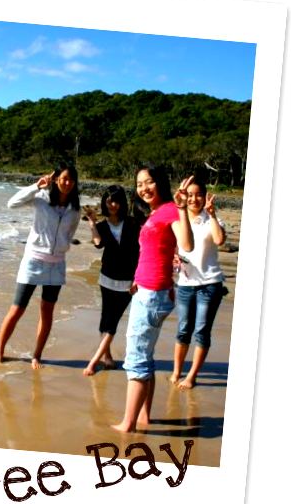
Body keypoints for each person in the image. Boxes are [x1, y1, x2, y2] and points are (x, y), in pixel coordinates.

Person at [112, 165, 194, 433]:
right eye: (139, 184)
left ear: (160, 183)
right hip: (148, 289)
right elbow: (153, 251)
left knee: (136, 358)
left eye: (149, 182)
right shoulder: (156, 212)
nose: (143, 188)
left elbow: (187, 245)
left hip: (153, 294)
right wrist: (137, 279)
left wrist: (182, 208)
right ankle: (144, 416)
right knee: (145, 357)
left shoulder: (170, 210)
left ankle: (128, 424)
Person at [0, 165, 81, 370]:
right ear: (56, 179)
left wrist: (62, 247)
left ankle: (37, 355)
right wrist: (36, 186)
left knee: (47, 312)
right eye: (64, 178)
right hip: (33, 260)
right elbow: (12, 203)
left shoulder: (75, 209)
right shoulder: (41, 198)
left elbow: (70, 233)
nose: (67, 183)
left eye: (71, 179)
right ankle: (0, 349)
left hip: (56, 265)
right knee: (17, 308)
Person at [169, 180, 226, 390]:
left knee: (201, 331)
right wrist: (174, 258)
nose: (194, 199)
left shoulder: (212, 219)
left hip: (210, 284)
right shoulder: (178, 220)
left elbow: (219, 240)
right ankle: (177, 371)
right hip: (185, 283)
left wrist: (212, 215)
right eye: (190, 195)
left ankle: (192, 376)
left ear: (205, 196)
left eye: (198, 194)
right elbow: (174, 248)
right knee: (183, 330)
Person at [83, 185, 140, 376]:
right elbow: (98, 244)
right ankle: (107, 356)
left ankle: (94, 361)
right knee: (106, 318)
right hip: (106, 279)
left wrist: (138, 277)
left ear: (122, 203)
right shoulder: (102, 226)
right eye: (109, 201)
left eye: (116, 201)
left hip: (128, 282)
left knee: (113, 321)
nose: (112, 205)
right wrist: (92, 223)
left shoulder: (132, 223)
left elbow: (140, 252)